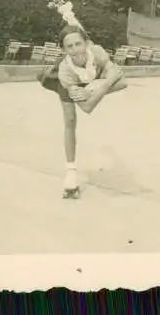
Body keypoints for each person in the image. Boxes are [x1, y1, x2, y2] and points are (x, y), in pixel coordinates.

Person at [37, 25, 127, 198]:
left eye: (78, 44)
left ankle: (92, 86)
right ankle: (71, 173)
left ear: (86, 43)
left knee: (108, 82)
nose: (75, 50)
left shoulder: (98, 52)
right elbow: (87, 107)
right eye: (69, 47)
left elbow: (122, 80)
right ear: (63, 50)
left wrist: (93, 88)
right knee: (70, 121)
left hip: (90, 83)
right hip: (68, 84)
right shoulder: (65, 71)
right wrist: (104, 84)